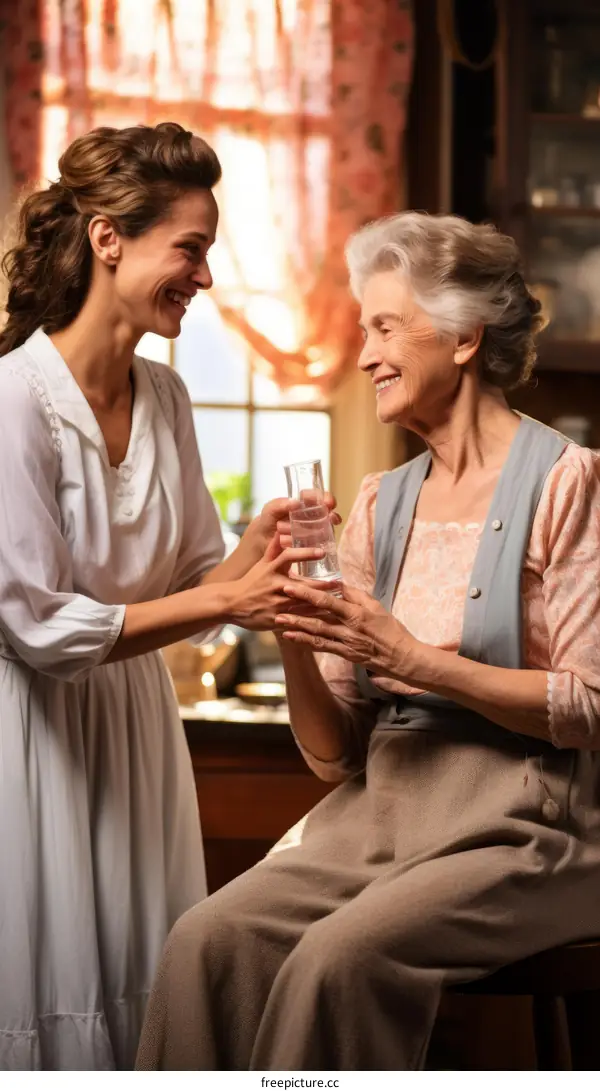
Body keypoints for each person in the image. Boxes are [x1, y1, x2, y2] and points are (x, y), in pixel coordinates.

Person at [136, 212, 600, 1071]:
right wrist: (294, 629)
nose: (362, 356)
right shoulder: (381, 503)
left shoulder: (570, 482)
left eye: (384, 327)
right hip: (379, 821)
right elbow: (334, 755)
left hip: (530, 832)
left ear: (463, 336)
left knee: (335, 961)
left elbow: (588, 707)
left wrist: (414, 660)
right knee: (206, 937)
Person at [0, 121, 328, 1071]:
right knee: (49, 982)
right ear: (109, 239)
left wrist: (260, 544)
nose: (206, 277)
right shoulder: (14, 399)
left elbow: (196, 579)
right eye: (190, 248)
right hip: (34, 740)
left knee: (144, 979)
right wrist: (234, 601)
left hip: (139, 728)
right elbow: (38, 627)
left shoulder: (168, 397)